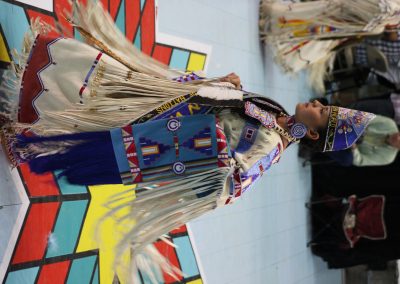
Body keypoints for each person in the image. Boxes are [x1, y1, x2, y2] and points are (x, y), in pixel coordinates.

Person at [0, 1, 376, 282]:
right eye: (325, 104)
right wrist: (230, 88)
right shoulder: (277, 113)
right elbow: (236, 111)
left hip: (161, 132)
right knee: (101, 90)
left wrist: (213, 142)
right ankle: (30, 106)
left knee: (95, 120)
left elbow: (232, 183)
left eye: (323, 113)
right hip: (165, 108)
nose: (318, 103)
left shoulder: (271, 146)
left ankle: (27, 140)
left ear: (312, 133)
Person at [259, 0, 400, 92]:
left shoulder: (391, 11)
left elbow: (391, 32)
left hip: (360, 20)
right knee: (316, 19)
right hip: (357, 17)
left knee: (317, 25)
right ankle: (274, 24)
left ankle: (274, 26)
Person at [327, 115, 399, 166]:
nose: (398, 138)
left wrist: (354, 148)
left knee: (348, 159)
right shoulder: (389, 123)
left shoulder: (388, 157)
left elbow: (360, 161)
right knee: (350, 118)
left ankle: (323, 142)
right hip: (353, 128)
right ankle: (325, 122)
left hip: (352, 148)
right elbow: (366, 118)